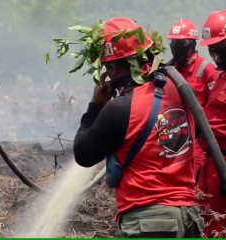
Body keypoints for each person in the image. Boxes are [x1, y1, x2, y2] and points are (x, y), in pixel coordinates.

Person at [73, 17, 204, 238]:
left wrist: (95, 106)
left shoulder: (121, 108)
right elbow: (197, 132)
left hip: (150, 222)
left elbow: (83, 154)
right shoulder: (179, 90)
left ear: (112, 67)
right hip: (188, 218)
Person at [168, 19, 219, 176]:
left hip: (197, 143)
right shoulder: (169, 70)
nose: (176, 48)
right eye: (174, 43)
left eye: (181, 44)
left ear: (191, 45)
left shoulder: (207, 71)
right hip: (173, 139)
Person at [197, 10, 226, 237]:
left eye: (218, 45)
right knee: (209, 226)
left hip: (223, 163)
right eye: (210, 46)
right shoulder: (221, 76)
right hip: (211, 165)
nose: (212, 51)